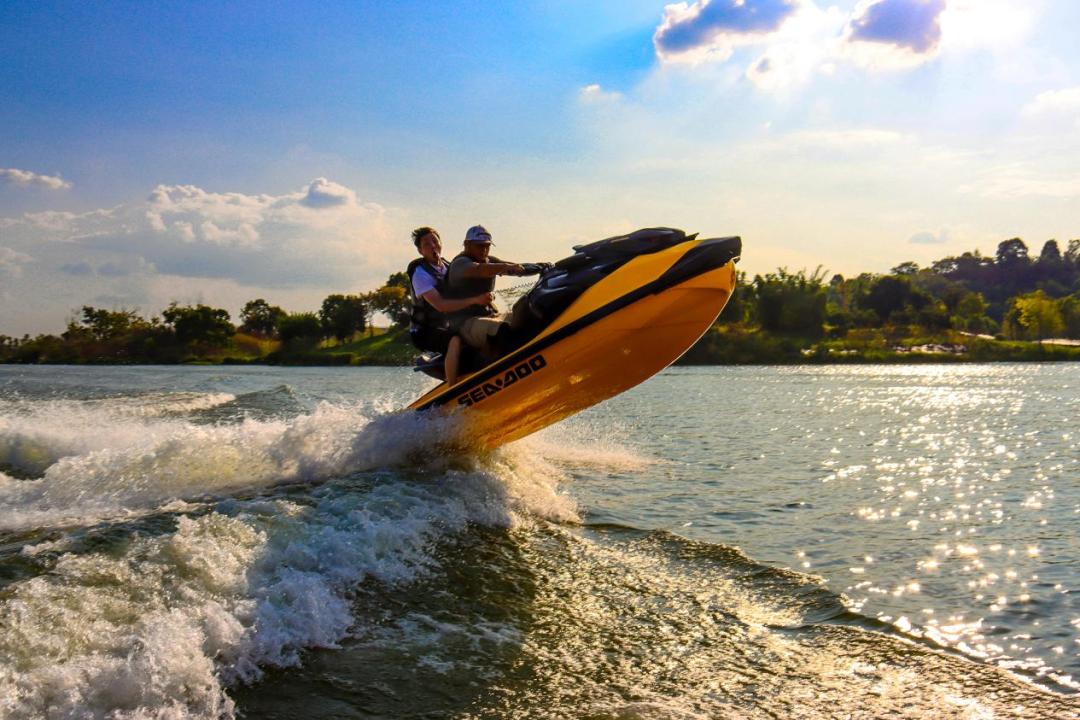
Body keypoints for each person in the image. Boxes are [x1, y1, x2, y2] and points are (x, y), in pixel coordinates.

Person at [406, 226, 493, 386]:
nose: (432, 246)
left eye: (435, 241)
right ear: (420, 251)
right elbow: (442, 306)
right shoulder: (420, 274)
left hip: (445, 325)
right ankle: (453, 388)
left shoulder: (448, 266)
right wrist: (475, 300)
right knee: (454, 339)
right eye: (426, 244)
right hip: (423, 331)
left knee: (475, 332)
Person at [444, 225, 542, 354]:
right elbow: (479, 269)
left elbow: (517, 268)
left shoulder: (490, 261)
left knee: (530, 317)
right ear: (467, 244)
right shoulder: (459, 264)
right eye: (480, 246)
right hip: (465, 324)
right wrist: (505, 267)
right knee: (502, 329)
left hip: (489, 314)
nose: (484, 250)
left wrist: (541, 267)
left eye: (487, 246)